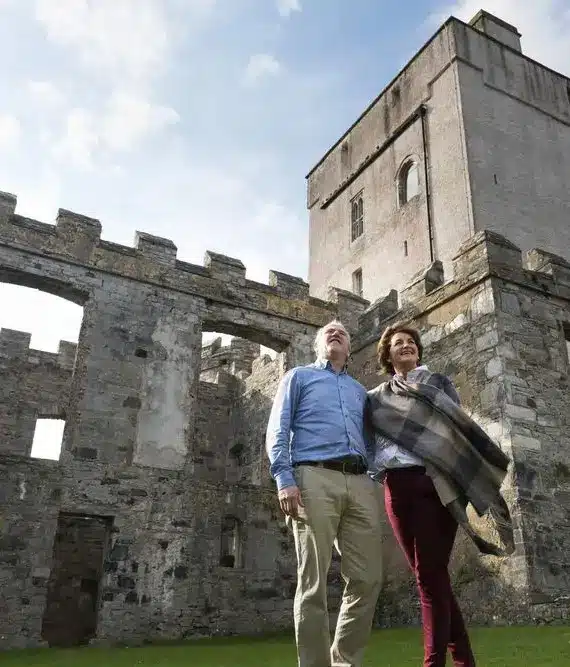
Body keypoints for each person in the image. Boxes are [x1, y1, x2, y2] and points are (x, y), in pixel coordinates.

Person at [366, 323, 514, 667]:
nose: (406, 345)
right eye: (398, 342)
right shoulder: (376, 398)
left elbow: (455, 433)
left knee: (429, 575)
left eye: (411, 342)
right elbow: (368, 440)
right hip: (396, 488)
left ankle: (433, 662)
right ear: (387, 354)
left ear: (418, 350)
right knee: (431, 577)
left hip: (436, 484)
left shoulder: (437, 383)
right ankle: (464, 660)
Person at [266, 320, 383, 667]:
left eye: (342, 333)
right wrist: (284, 479)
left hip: (360, 482)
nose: (335, 333)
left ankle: (345, 661)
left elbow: (371, 441)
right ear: (318, 346)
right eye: (328, 332)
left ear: (349, 349)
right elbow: (278, 428)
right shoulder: (298, 377)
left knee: (368, 578)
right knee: (313, 582)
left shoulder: (361, 392)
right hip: (311, 477)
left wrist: (375, 476)